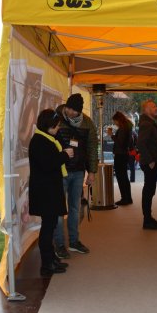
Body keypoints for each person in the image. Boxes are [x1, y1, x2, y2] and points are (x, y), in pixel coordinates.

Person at [29, 109, 74, 276]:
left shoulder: (46, 139)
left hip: (49, 190)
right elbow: (48, 164)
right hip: (45, 192)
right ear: (48, 125)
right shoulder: (40, 141)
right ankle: (47, 264)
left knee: (51, 225)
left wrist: (62, 155)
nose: (58, 128)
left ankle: (51, 259)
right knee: (47, 228)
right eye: (56, 126)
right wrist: (64, 155)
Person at [54, 93, 97, 258]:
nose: (71, 112)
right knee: (58, 209)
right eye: (69, 108)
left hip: (79, 171)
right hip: (60, 171)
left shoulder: (88, 123)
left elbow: (92, 148)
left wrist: (92, 171)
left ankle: (74, 241)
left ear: (80, 111)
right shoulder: (56, 118)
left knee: (75, 208)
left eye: (74, 110)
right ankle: (59, 244)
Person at [137, 99, 157, 230]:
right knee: (148, 191)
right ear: (147, 110)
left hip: (151, 161)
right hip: (150, 163)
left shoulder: (149, 123)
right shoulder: (147, 124)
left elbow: (153, 141)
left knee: (149, 191)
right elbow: (141, 143)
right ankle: (147, 220)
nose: (156, 108)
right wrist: (150, 160)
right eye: (153, 106)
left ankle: (148, 218)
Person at [108, 111, 133, 206]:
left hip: (120, 155)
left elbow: (120, 142)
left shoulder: (123, 128)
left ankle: (124, 198)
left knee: (121, 177)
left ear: (118, 120)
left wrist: (111, 135)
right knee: (124, 177)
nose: (115, 123)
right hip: (124, 154)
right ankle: (128, 198)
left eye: (115, 121)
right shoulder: (127, 127)